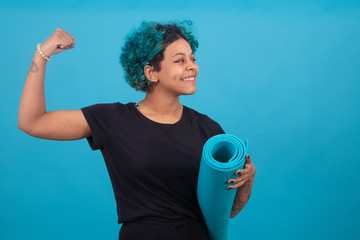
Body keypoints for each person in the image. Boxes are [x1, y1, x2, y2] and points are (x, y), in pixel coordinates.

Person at [18, 20, 256, 240]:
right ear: (151, 72)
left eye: (193, 59)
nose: (192, 67)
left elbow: (225, 212)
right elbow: (32, 122)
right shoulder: (112, 120)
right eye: (180, 60)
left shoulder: (209, 129)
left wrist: (246, 181)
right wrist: (43, 54)